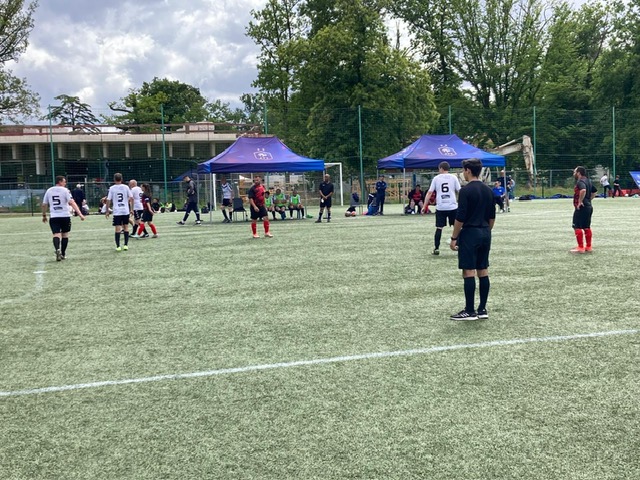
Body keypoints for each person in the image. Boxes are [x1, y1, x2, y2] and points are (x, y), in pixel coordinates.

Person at [448, 159, 495, 321]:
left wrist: (454, 237)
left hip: (470, 233)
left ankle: (469, 310)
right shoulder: (488, 190)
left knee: (468, 271)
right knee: (483, 269)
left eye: (463, 170)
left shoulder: (466, 191)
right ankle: (482, 309)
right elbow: (492, 217)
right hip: (485, 232)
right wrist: (485, 231)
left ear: (468, 170)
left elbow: (460, 217)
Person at [42, 175, 85, 261]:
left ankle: (57, 249)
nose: (65, 183)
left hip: (54, 216)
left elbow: (44, 204)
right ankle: (63, 253)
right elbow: (72, 202)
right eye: (64, 182)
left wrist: (44, 215)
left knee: (56, 234)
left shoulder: (49, 190)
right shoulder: (66, 191)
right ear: (60, 182)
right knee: (65, 235)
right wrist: (80, 214)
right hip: (65, 215)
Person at [425, 161, 461, 256]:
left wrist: (425, 205)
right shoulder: (453, 177)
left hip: (441, 206)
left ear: (441, 168)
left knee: (439, 228)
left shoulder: (436, 178)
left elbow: (429, 192)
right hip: (452, 205)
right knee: (457, 227)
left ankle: (436, 248)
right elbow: (459, 191)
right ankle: (459, 245)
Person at [571, 166, 597, 254]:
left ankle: (580, 247)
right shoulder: (588, 181)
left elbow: (583, 190)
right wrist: (589, 200)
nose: (574, 173)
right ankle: (588, 247)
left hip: (581, 207)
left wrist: (580, 201)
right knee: (586, 227)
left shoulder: (580, 181)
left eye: (575, 172)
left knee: (577, 226)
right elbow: (594, 191)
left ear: (578, 173)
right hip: (589, 207)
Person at [105, 172, 134, 252]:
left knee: (117, 229)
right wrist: (131, 209)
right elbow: (131, 198)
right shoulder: (126, 187)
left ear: (114, 179)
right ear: (121, 179)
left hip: (117, 211)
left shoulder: (112, 188)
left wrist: (107, 210)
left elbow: (108, 200)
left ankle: (118, 246)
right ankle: (126, 245)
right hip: (125, 210)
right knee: (126, 227)